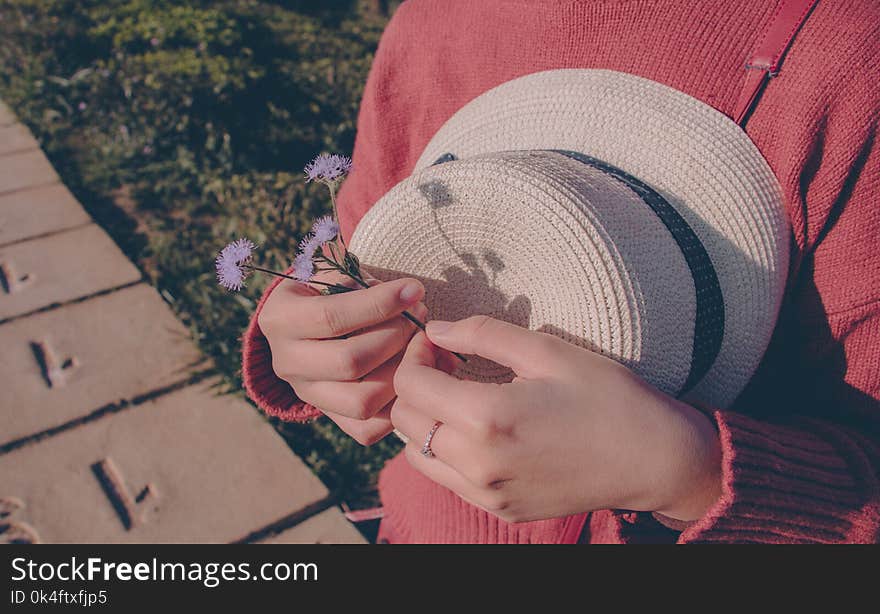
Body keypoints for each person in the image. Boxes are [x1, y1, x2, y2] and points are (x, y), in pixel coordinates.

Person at [242, 0, 880, 543]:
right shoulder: (434, 22)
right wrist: (321, 335)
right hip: (431, 526)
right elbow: (364, 254)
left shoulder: (847, 63)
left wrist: (691, 474)